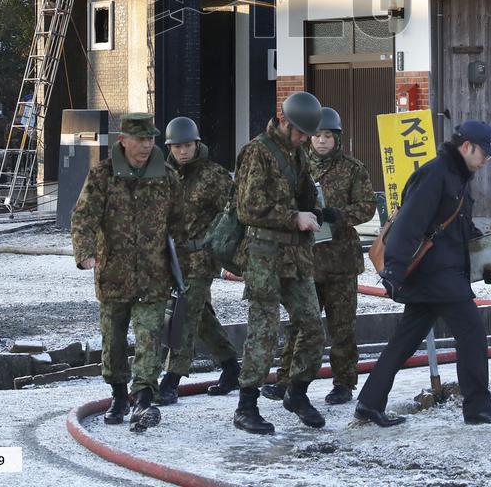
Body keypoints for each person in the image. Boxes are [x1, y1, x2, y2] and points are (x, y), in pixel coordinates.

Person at [355, 120, 491, 428]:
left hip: (440, 273)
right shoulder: (436, 173)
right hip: (436, 275)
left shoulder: (457, 176)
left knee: (405, 340)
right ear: (467, 146)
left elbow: (461, 228)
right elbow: (409, 222)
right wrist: (393, 269)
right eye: (484, 153)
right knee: (471, 332)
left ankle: (369, 403)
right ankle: (477, 407)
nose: (486, 161)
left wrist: (487, 263)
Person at [71, 112, 187, 432]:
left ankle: (145, 399)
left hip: (153, 276)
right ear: (123, 141)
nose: (147, 145)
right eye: (140, 139)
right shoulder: (103, 176)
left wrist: (183, 262)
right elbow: (83, 218)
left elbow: (179, 224)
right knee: (114, 340)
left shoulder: (166, 176)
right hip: (113, 274)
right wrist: (85, 254)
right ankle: (119, 396)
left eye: (151, 139)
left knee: (150, 337)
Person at [263, 106, 376, 405]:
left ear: (337, 139)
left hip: (340, 260)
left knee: (342, 327)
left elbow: (367, 207)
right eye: (317, 135)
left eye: (328, 136)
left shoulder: (353, 168)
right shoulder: (296, 165)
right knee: (300, 324)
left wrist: (335, 214)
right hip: (306, 260)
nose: (322, 141)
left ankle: (343, 382)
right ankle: (286, 379)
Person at [233, 91, 326, 436]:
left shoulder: (298, 153)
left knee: (312, 326)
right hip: (264, 254)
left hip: (296, 255)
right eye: (300, 132)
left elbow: (306, 195)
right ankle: (246, 405)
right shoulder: (256, 152)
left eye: (308, 135)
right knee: (264, 331)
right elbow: (248, 208)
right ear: (284, 122)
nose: (304, 139)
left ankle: (297, 392)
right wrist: (294, 217)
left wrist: (313, 209)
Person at [158, 116, 241, 405]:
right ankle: (231, 367)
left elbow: (235, 214)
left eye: (188, 145)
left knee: (184, 315)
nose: (183, 151)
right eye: (177, 146)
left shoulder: (213, 176)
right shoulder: (163, 174)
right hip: (173, 256)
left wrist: (227, 249)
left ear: (197, 144)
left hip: (201, 257)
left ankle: (171, 380)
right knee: (201, 316)